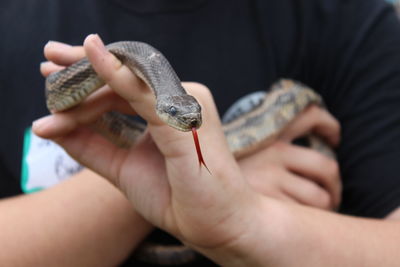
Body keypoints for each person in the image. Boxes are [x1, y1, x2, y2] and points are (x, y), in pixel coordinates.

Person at [1, 0, 400, 265]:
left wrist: (248, 221)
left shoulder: (344, 17)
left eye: (190, 119)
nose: (190, 127)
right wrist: (160, 183)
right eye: (177, 116)